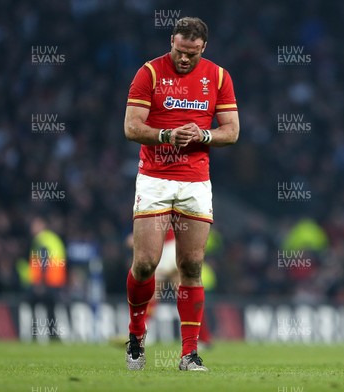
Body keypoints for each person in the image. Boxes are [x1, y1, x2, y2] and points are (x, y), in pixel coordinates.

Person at [123, 16, 239, 371]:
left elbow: (231, 132)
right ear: (171, 41)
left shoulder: (218, 77)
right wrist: (165, 136)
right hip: (155, 178)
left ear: (203, 48)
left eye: (192, 52)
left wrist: (203, 136)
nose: (184, 58)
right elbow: (131, 127)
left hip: (194, 181)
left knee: (191, 265)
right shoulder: (150, 73)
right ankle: (137, 337)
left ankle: (188, 354)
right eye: (179, 50)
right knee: (145, 264)